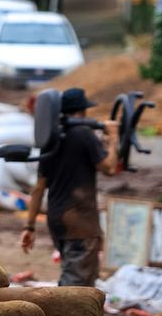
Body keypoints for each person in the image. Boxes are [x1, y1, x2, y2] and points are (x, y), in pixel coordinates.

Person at [20, 87, 120, 286]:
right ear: (82, 111)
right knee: (75, 287)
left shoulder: (51, 139)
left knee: (77, 275)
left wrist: (29, 226)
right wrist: (114, 138)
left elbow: (39, 188)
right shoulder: (84, 134)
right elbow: (109, 167)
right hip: (80, 222)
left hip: (57, 219)